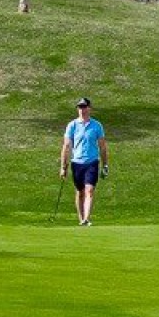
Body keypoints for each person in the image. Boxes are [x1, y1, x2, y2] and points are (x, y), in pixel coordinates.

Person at [59, 97, 108, 226]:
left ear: (89, 108)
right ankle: (81, 219)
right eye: (80, 107)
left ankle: (87, 218)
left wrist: (105, 165)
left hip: (92, 162)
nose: (82, 109)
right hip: (77, 163)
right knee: (80, 192)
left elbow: (102, 146)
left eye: (84, 107)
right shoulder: (72, 125)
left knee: (89, 190)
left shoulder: (97, 126)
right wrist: (63, 167)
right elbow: (67, 146)